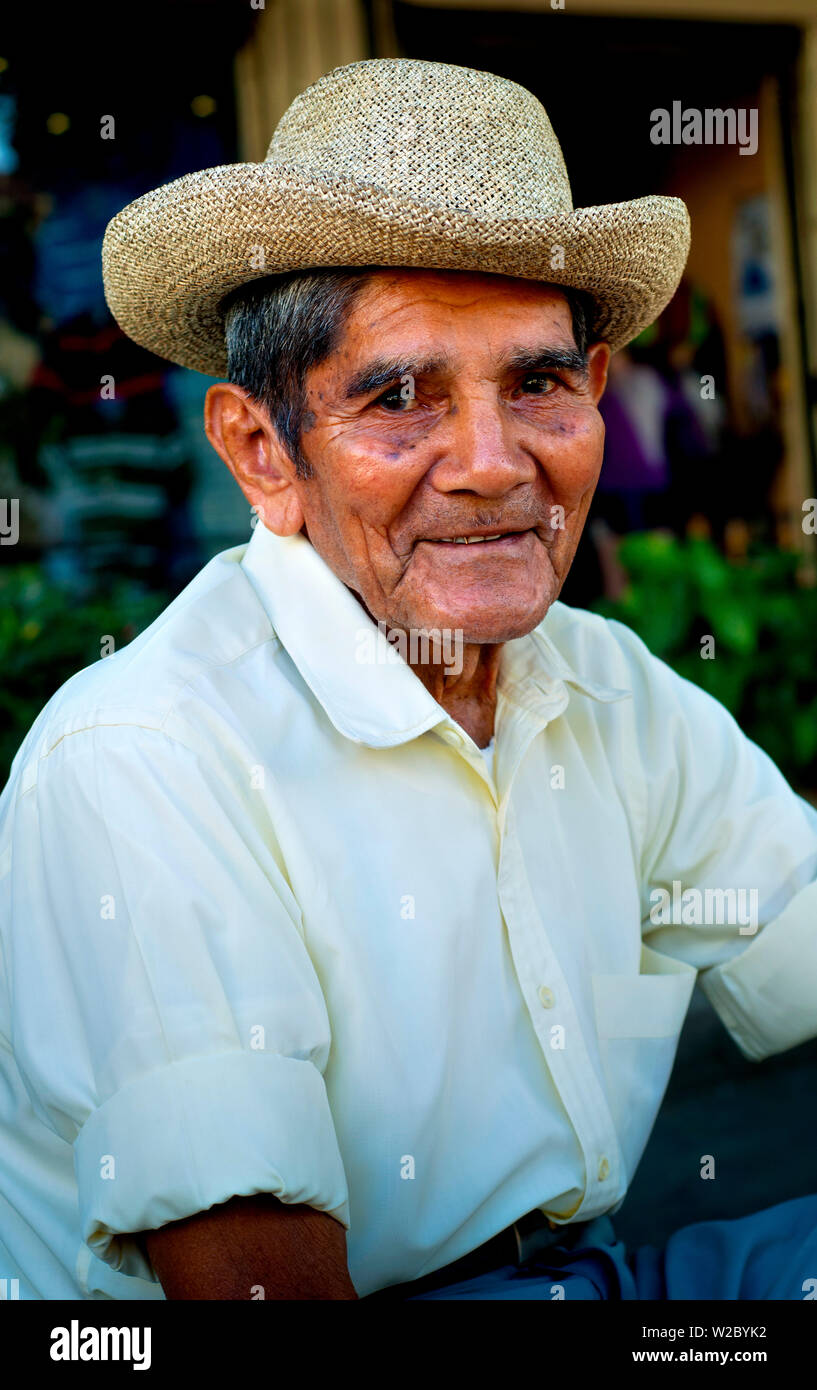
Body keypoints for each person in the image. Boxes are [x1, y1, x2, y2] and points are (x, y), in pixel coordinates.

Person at [0, 58, 815, 1302]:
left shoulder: (606, 690)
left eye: (538, 383)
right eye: (397, 396)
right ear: (261, 452)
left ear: (596, 395)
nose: (492, 465)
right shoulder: (144, 757)